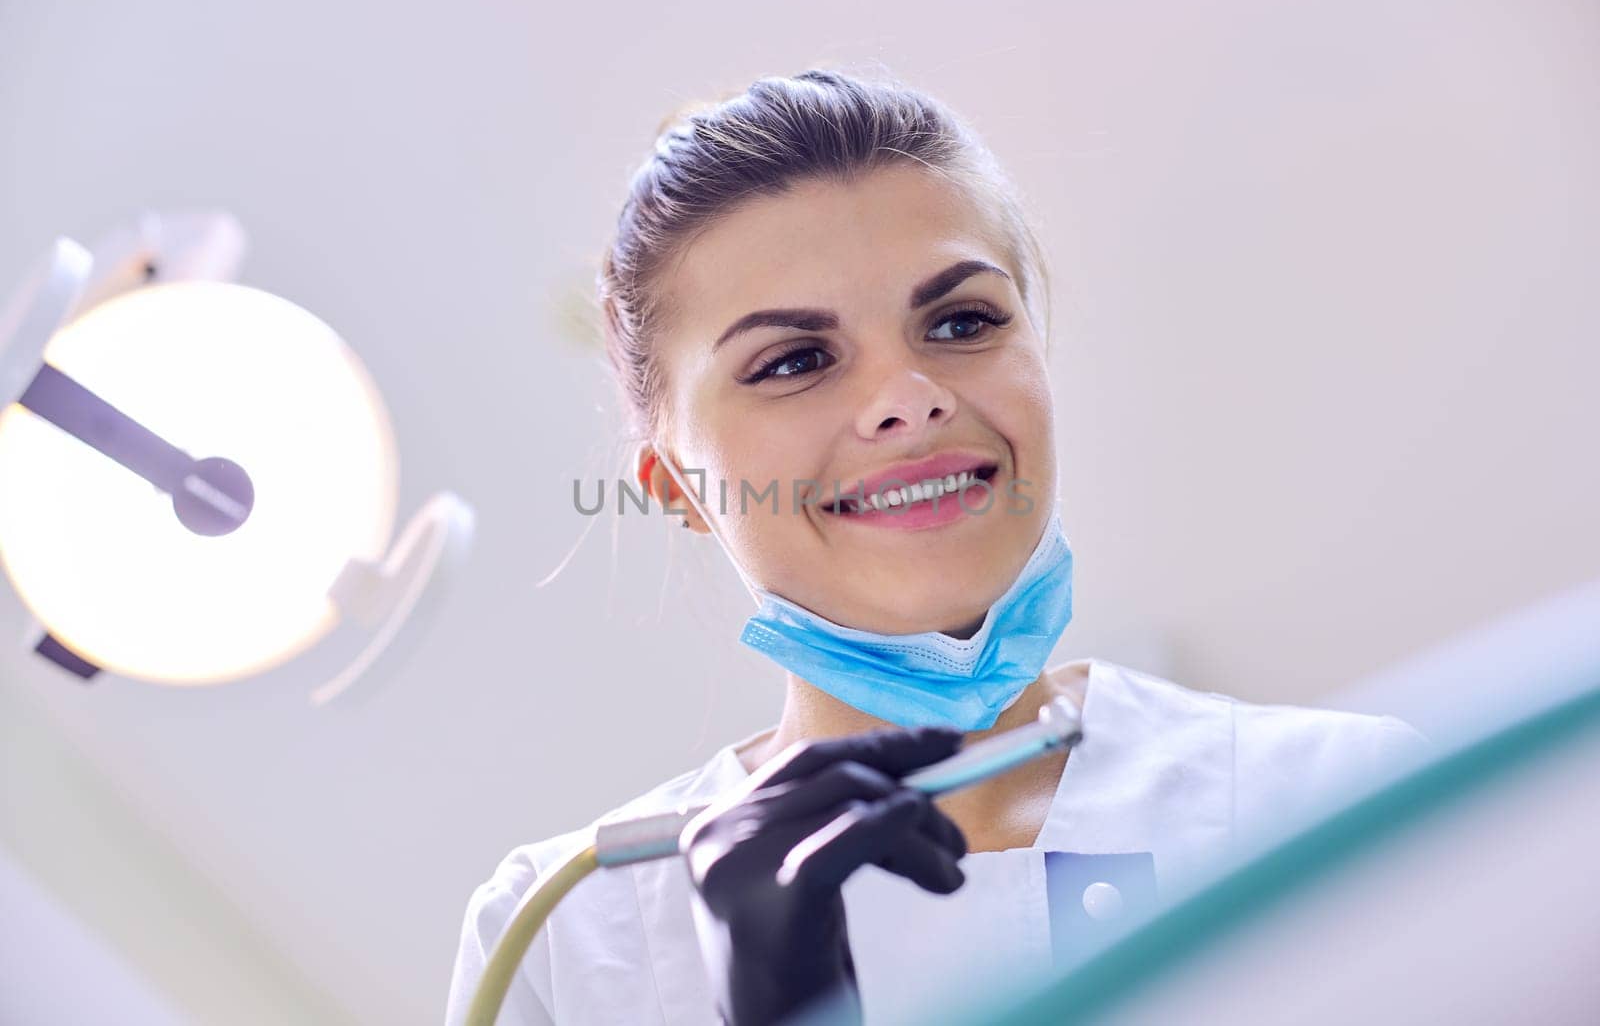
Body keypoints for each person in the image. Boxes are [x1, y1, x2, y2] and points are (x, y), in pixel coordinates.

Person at [444, 68, 1428, 1026]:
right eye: (792, 360)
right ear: (676, 488)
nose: (909, 397)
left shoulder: (1357, 803)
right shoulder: (565, 940)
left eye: (961, 321)